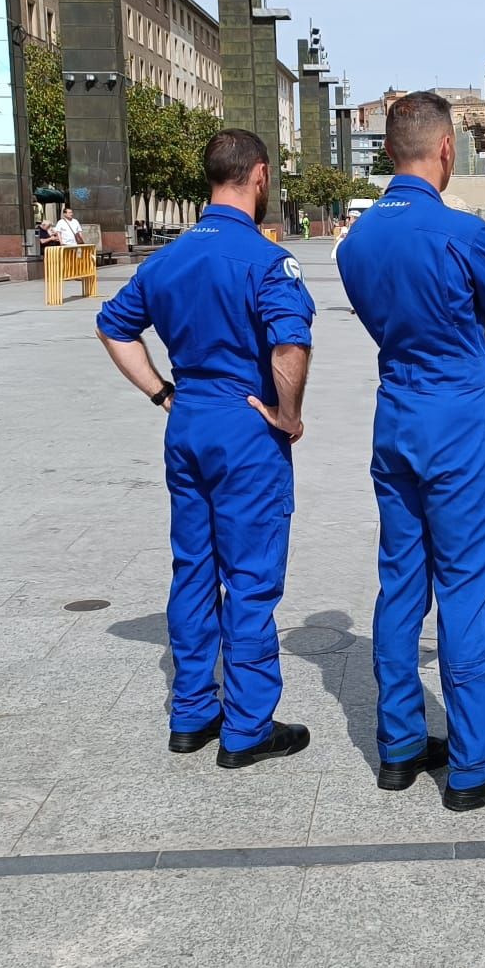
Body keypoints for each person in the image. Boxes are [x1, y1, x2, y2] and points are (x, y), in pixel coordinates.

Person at [336, 91, 485, 811]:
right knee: (463, 589)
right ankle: (475, 765)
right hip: (454, 427)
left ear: (391, 151)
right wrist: (475, 332)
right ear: (447, 150)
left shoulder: (357, 241)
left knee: (400, 585)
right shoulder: (462, 233)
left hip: (394, 420)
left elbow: (387, 323)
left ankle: (398, 745)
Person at [96, 128, 317, 767]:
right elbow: (289, 344)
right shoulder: (264, 259)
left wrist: (162, 393)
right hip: (245, 424)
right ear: (259, 175)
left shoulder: (165, 258)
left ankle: (192, 712)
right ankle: (248, 727)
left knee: (193, 566)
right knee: (249, 577)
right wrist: (289, 414)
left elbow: (113, 327)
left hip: (188, 417)